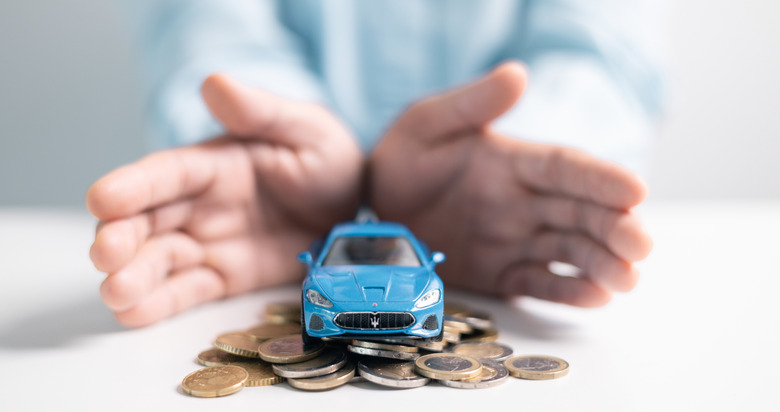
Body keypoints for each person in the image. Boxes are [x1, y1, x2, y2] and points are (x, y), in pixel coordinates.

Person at [87, 1, 660, 327]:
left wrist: (516, 146)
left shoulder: (416, 271)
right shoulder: (326, 267)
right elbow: (208, 29)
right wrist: (262, 133)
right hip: (269, 205)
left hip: (494, 190)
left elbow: (601, 43)